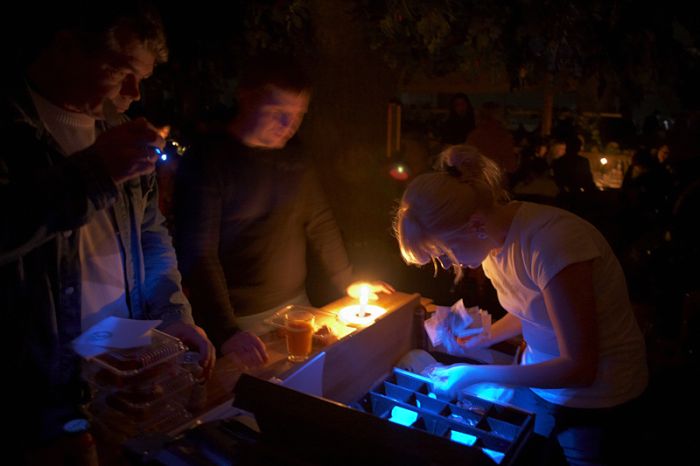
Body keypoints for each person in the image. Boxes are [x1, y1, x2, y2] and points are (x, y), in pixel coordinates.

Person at [1, 3, 214, 462]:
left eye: (143, 77)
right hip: (35, 397)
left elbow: (151, 234)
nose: (135, 94)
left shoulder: (118, 130)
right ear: (66, 47)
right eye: (121, 72)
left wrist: (172, 313)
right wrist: (95, 172)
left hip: (122, 365)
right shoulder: (9, 131)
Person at [393, 144, 648, 465]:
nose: (446, 264)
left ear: (474, 224)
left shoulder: (553, 243)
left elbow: (580, 368)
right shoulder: (491, 244)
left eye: (444, 252)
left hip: (598, 399)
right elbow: (534, 308)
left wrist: (474, 374)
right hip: (544, 384)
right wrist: (486, 337)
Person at [175, 54, 390, 368]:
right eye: (278, 113)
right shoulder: (207, 161)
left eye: (298, 114)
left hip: (297, 308)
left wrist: (348, 280)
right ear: (246, 98)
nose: (289, 126)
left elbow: (320, 222)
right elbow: (198, 252)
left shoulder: (295, 157)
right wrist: (226, 331)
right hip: (238, 320)